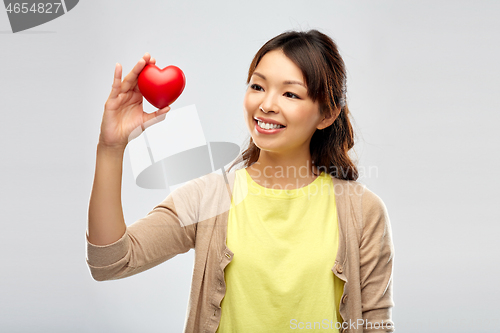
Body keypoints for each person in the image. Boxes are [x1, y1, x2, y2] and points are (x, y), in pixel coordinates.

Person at [86, 30, 395, 333]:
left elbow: (376, 326)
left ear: (327, 114)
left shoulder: (363, 211)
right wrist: (111, 148)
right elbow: (110, 262)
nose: (267, 104)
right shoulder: (210, 197)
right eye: (258, 86)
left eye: (290, 93)